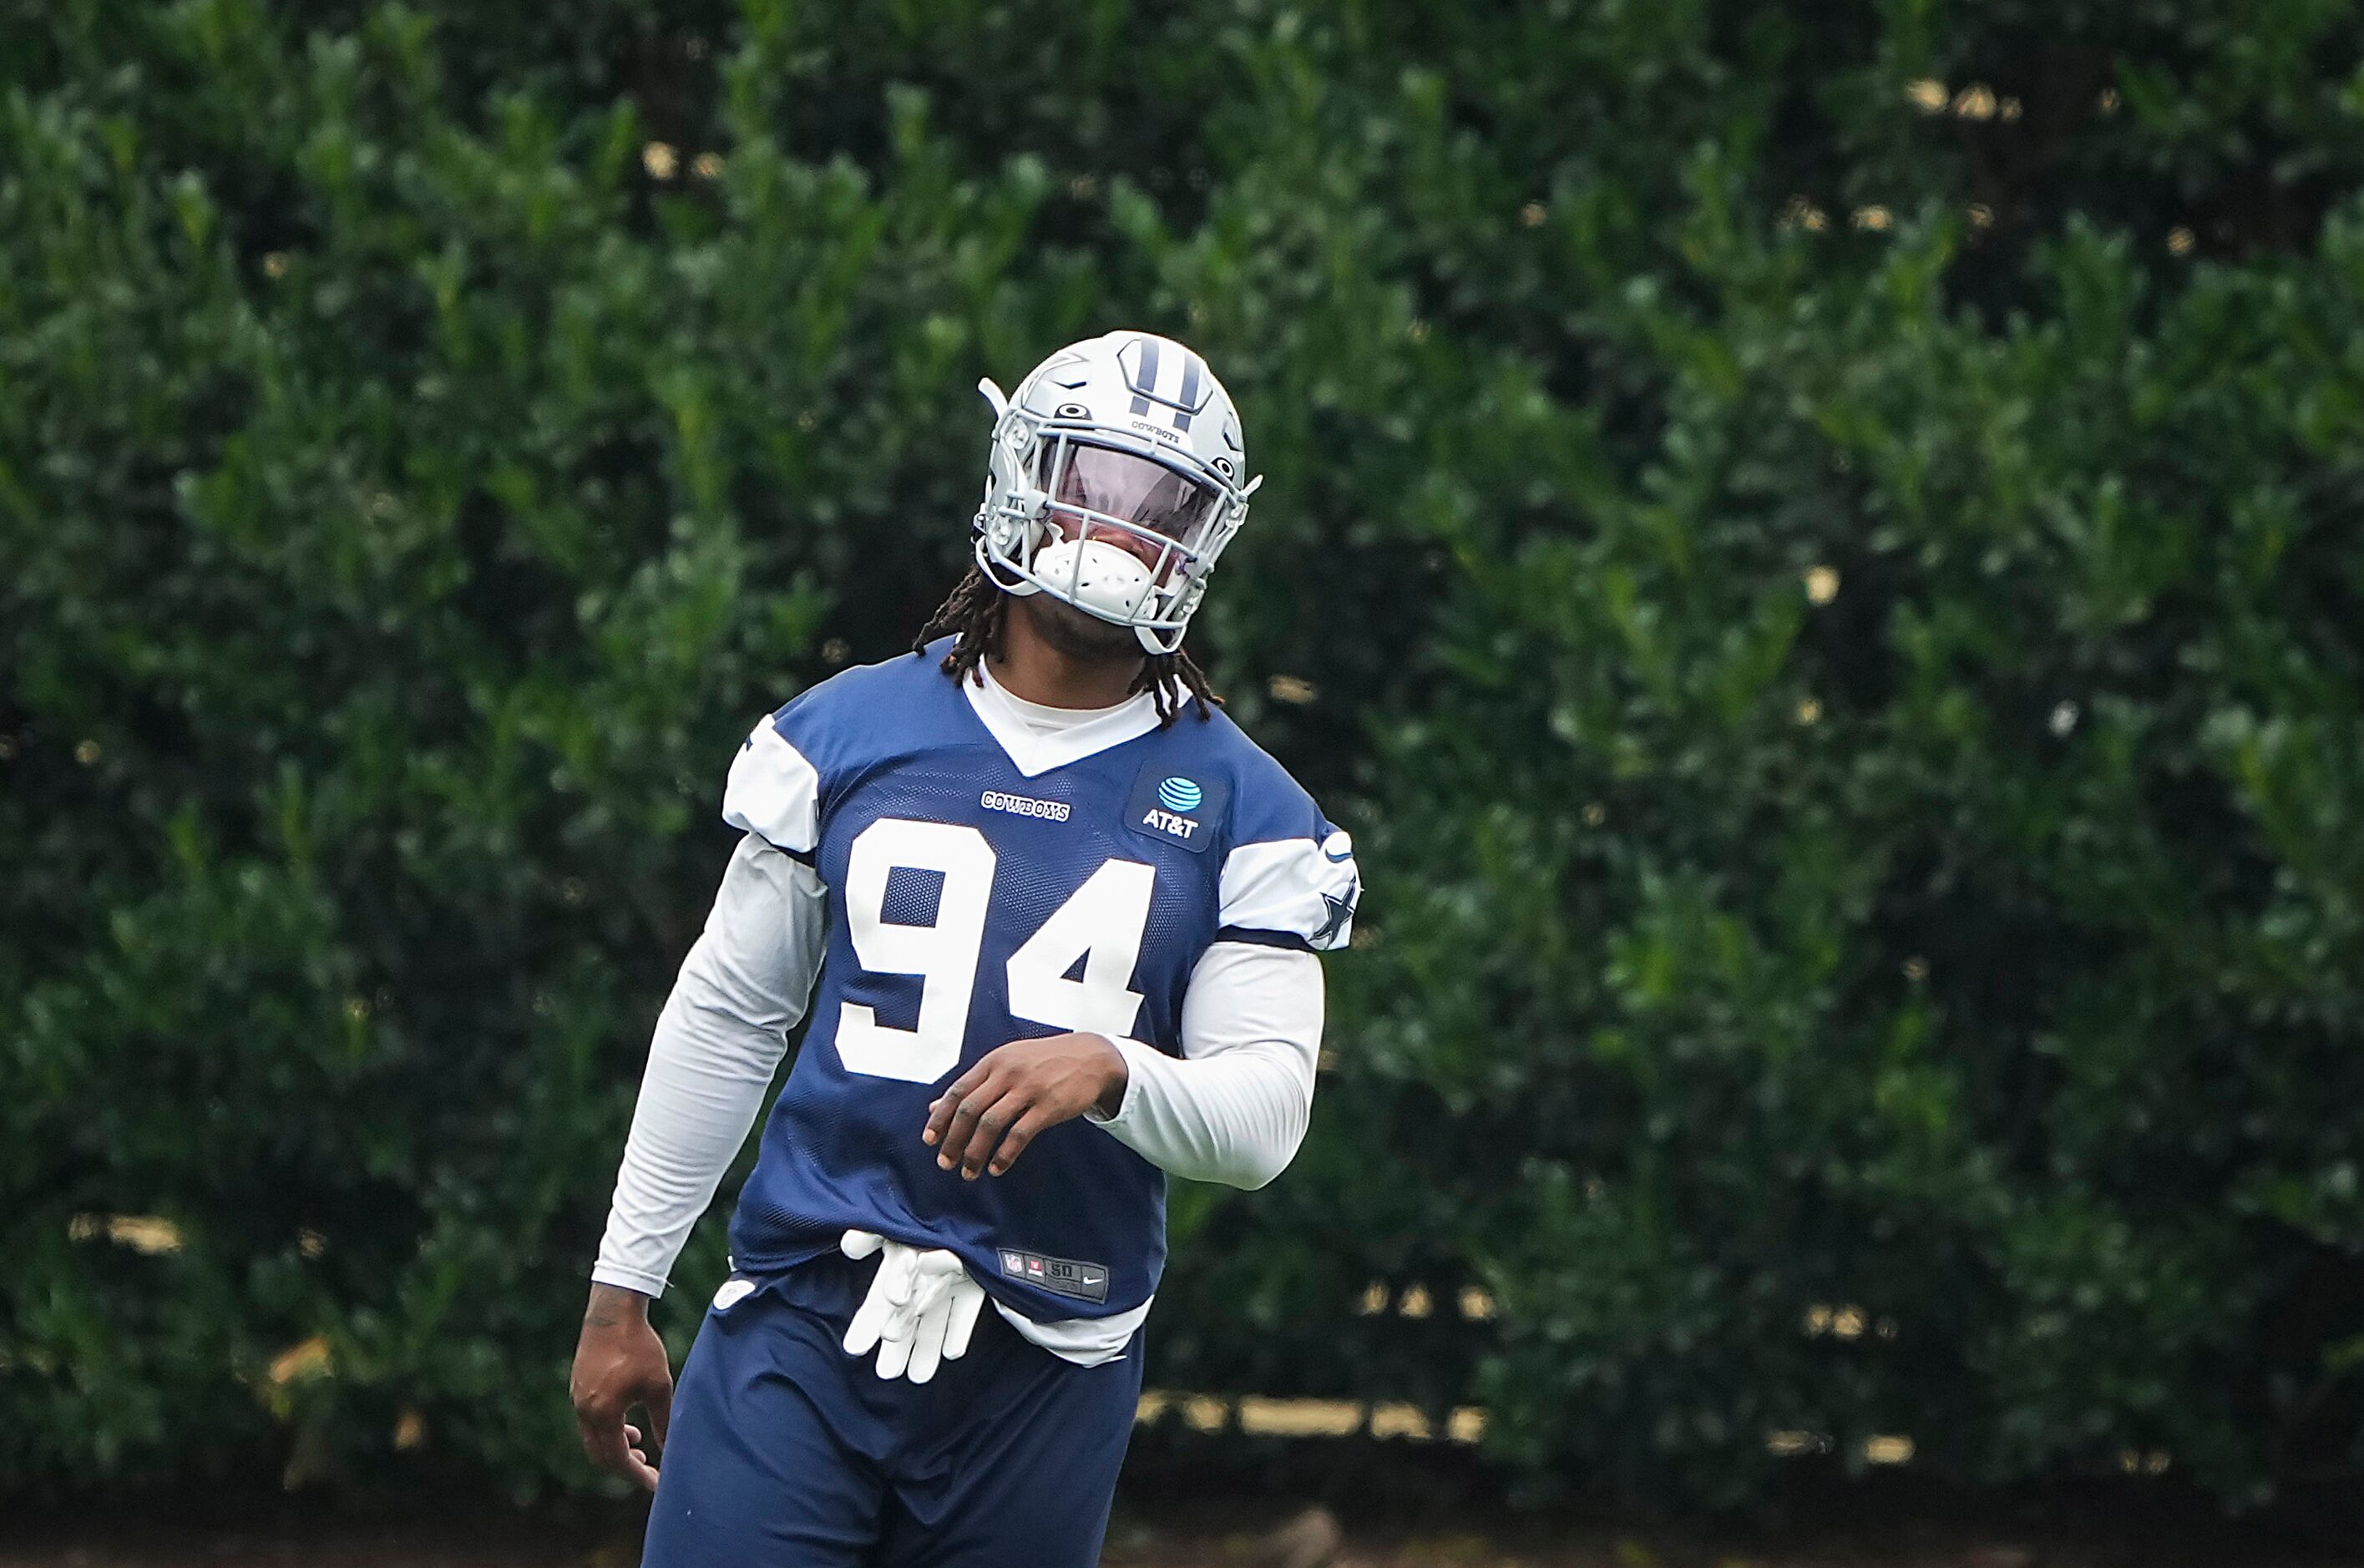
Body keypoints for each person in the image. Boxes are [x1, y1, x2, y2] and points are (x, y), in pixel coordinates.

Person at [568, 331, 1361, 1566]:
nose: (1114, 530)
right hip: (804, 1309)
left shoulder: (1252, 814)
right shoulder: (852, 731)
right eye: (1090, 480)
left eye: (1160, 507)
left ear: (1205, 539)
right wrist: (624, 1291)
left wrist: (1111, 1067)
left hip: (1052, 1350)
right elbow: (728, 1015)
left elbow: (1263, 1118)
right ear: (1017, 472)